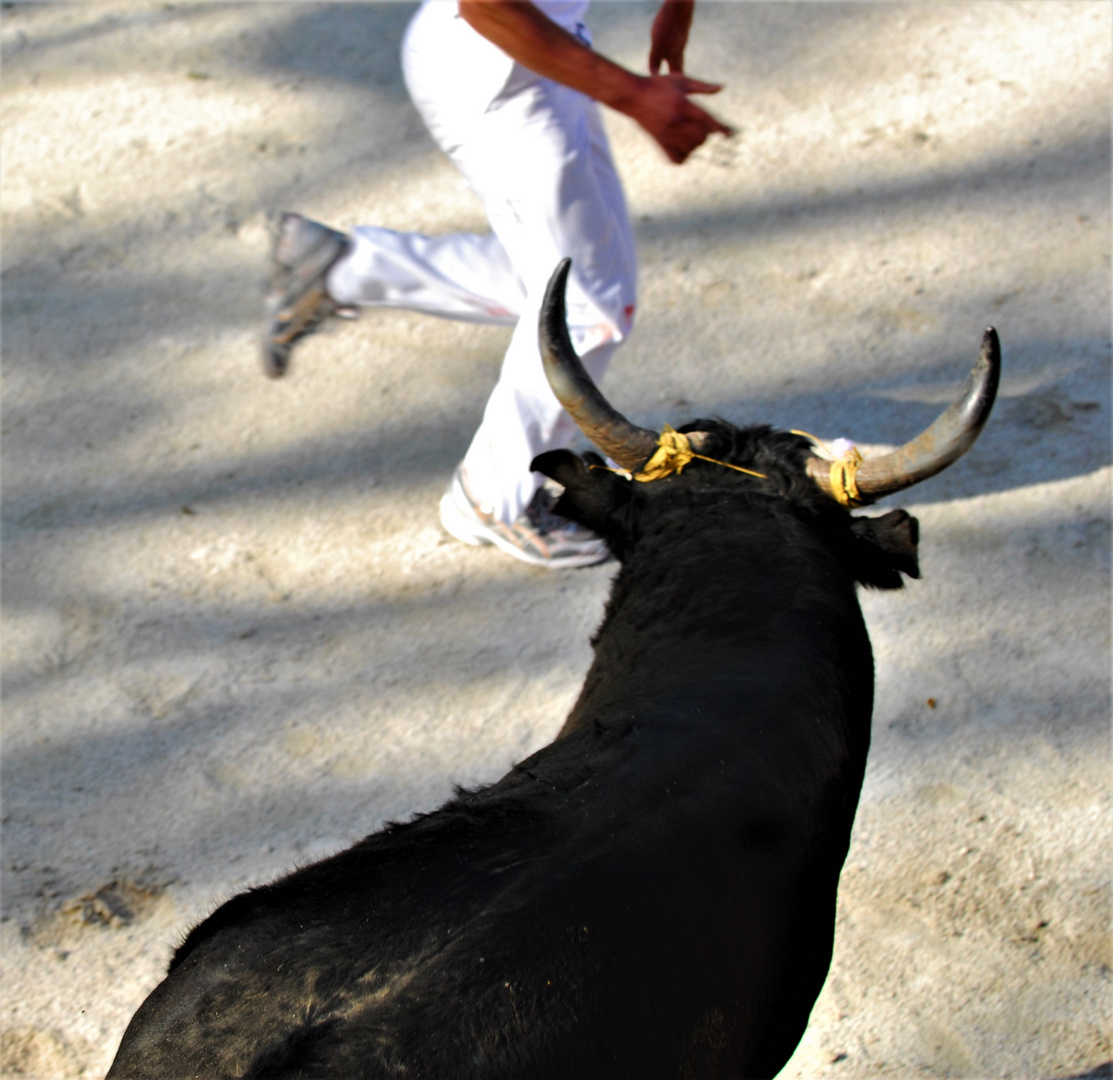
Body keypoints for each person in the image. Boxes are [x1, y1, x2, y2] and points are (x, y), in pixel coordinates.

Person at [262, 0, 733, 568]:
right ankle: (492, 497)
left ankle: (346, 267)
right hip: (493, 70)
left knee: (582, 286)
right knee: (586, 308)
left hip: (549, 48)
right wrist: (633, 95)